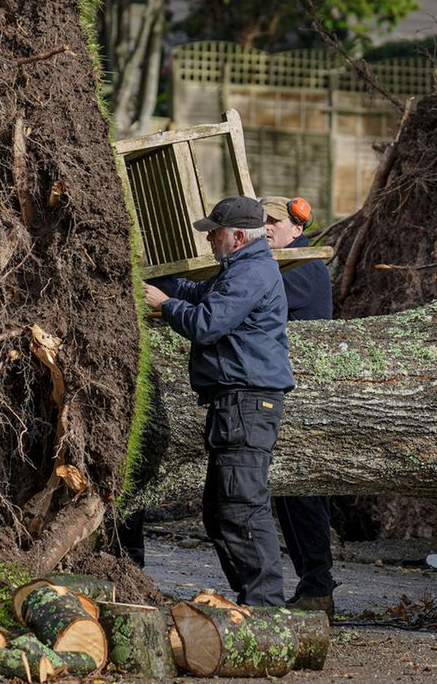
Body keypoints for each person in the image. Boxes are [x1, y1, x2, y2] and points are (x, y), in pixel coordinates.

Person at [142, 195, 294, 607]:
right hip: (238, 403)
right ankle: (255, 601)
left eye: (216, 233)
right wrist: (161, 282)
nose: (210, 240)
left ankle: (265, 608)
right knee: (219, 508)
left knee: (240, 506)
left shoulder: (251, 273)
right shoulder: (242, 267)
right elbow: (198, 293)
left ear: (239, 236)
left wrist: (164, 304)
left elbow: (205, 323)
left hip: (247, 403)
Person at [262, 195, 336, 617]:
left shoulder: (300, 265)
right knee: (290, 494)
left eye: (274, 221)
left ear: (297, 228)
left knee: (304, 492)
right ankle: (314, 586)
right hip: (287, 393)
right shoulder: (277, 264)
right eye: (262, 222)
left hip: (305, 398)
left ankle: (318, 585)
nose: (267, 227)